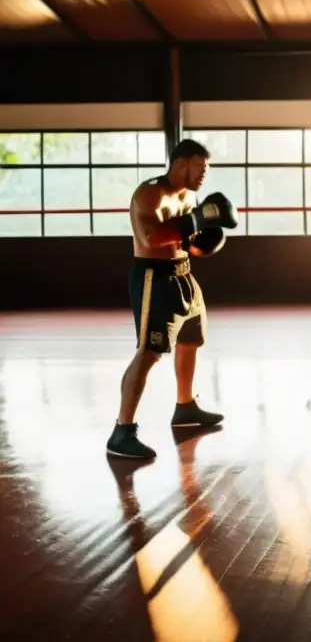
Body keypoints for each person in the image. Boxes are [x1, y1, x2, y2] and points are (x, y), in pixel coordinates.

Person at [105, 138, 238, 460]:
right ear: (181, 164)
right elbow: (149, 238)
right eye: (200, 167)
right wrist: (195, 221)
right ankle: (122, 431)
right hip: (155, 277)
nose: (204, 174)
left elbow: (186, 240)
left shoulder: (189, 196)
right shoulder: (150, 193)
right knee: (149, 352)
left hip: (184, 274)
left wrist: (202, 243)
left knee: (191, 340)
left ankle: (185, 406)